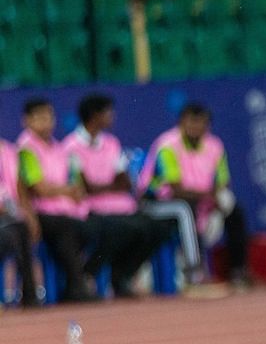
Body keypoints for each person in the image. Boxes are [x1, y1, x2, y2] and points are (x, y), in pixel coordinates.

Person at [63, 94, 172, 298]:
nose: (112, 116)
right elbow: (85, 187)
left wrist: (103, 186)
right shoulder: (71, 146)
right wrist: (109, 186)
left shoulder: (112, 143)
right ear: (95, 115)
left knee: (156, 228)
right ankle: (89, 273)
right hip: (90, 210)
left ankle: (122, 276)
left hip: (121, 207)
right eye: (108, 112)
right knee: (120, 229)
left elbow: (125, 182)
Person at [139, 102, 249, 285]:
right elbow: (175, 188)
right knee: (187, 209)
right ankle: (195, 270)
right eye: (192, 122)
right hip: (162, 201)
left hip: (202, 199)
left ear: (208, 126)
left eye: (201, 123)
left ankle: (238, 270)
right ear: (181, 122)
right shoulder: (167, 145)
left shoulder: (215, 146)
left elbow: (222, 181)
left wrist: (216, 199)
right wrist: (209, 197)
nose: (196, 127)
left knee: (234, 209)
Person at [17, 98, 94, 303]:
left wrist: (69, 192)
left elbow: (76, 184)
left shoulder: (61, 148)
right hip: (41, 212)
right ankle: (75, 285)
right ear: (27, 121)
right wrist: (65, 191)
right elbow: (38, 188)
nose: (47, 121)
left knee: (93, 229)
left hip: (67, 211)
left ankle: (79, 281)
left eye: (49, 116)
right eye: (40, 117)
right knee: (65, 230)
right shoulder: (25, 149)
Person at [0, 132, 39, 307]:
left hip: (9, 218)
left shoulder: (9, 152)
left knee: (20, 228)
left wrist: (31, 217)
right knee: (11, 234)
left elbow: (20, 190)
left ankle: (29, 295)